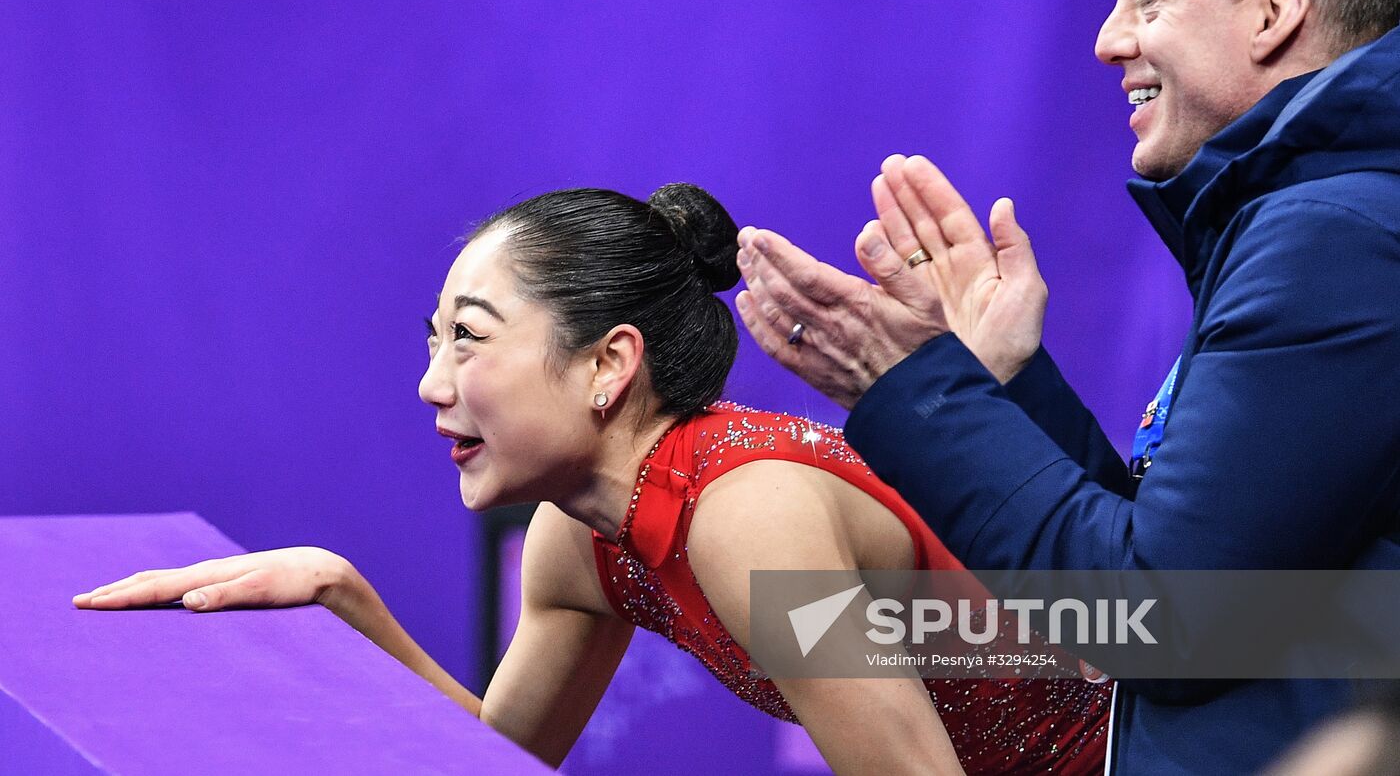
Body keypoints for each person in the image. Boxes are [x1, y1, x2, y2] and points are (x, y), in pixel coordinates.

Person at [734, 0, 1400, 774]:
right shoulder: (1332, 221)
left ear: (1274, 14)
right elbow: (1204, 575)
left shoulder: (1331, 238)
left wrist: (914, 391)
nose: (1109, 38)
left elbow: (1155, 618)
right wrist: (1002, 380)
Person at [73, 184, 1110, 775]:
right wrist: (343, 595)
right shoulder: (584, 539)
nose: (433, 385)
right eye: (432, 340)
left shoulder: (746, 513)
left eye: (468, 340)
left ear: (608, 365)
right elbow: (497, 766)